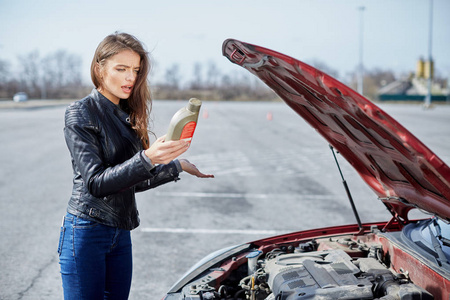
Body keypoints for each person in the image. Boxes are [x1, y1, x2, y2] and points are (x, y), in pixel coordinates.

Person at [58, 32, 214, 299]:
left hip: (120, 233)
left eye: (136, 70)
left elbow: (130, 180)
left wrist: (177, 165)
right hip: (86, 233)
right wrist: (149, 157)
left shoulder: (126, 115)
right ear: (99, 68)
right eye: (121, 69)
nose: (131, 78)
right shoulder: (80, 112)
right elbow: (96, 183)